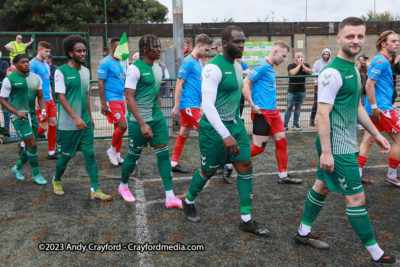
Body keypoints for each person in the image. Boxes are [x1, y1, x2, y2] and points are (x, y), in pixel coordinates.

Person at [294, 17, 399, 267]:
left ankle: (302, 232)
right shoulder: (332, 72)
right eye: (350, 36)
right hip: (337, 148)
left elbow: (356, 108)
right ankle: (376, 253)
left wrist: (376, 134)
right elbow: (322, 114)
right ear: (339, 38)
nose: (356, 40)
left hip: (344, 144)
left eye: (360, 36)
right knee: (357, 199)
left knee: (321, 186)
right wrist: (327, 152)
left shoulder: (353, 68)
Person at [182, 25, 270, 237]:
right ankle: (188, 201)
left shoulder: (238, 67)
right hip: (214, 129)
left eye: (243, 41)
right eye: (236, 42)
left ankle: (246, 221)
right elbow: (208, 105)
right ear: (223, 44)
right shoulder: (213, 68)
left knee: (246, 166)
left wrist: (251, 107)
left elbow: (240, 90)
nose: (241, 46)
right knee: (208, 171)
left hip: (235, 125)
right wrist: (224, 134)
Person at [118, 34, 182, 209]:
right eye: (155, 47)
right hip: (138, 121)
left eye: (160, 46)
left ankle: (170, 197)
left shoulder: (158, 68)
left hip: (157, 118)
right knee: (133, 156)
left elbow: (155, 95)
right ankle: (123, 186)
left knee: (163, 155)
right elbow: (129, 98)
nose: (159, 49)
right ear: (145, 49)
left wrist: (158, 116)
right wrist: (142, 123)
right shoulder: (134, 69)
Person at [52, 35, 112, 201]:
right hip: (68, 124)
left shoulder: (86, 72)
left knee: (90, 154)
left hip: (85, 122)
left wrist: (89, 118)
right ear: (70, 53)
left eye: (84, 50)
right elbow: (61, 97)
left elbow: (86, 96)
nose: (83, 53)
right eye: (79, 51)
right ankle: (56, 179)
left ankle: (95, 189)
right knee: (66, 156)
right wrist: (75, 118)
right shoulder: (60, 71)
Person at [242, 41, 303, 185]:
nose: (284, 59)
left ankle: (283, 175)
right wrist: (252, 104)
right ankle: (228, 161)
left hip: (274, 113)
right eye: (283, 56)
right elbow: (245, 83)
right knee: (258, 148)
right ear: (275, 51)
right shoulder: (262, 65)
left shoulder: (269, 67)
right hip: (262, 113)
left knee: (281, 141)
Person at [357, 30, 400, 188]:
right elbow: (369, 85)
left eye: (397, 41)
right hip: (380, 110)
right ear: (384, 44)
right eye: (394, 41)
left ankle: (357, 175)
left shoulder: (382, 60)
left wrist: (389, 103)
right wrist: (376, 107)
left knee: (367, 141)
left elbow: (380, 86)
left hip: (381, 107)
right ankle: (392, 175)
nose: (397, 43)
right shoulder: (380, 61)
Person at [0, 54, 47, 184]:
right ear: (15, 64)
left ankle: (17, 168)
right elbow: (2, 99)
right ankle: (36, 174)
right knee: (32, 143)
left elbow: (41, 96)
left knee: (30, 144)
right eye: (23, 62)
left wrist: (43, 110)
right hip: (18, 116)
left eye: (27, 62)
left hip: (32, 115)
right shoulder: (9, 79)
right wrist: (16, 112)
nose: (27, 64)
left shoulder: (36, 78)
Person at [170, 34, 213, 173]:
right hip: (188, 105)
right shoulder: (187, 61)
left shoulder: (199, 62)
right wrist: (176, 106)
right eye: (206, 50)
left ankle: (173, 163)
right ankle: (209, 165)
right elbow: (179, 84)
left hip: (194, 105)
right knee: (206, 132)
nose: (207, 53)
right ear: (199, 46)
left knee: (184, 132)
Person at [98, 38, 127, 166]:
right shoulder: (105, 62)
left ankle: (118, 155)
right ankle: (111, 150)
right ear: (111, 48)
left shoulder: (123, 62)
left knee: (118, 127)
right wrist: (103, 102)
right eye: (116, 47)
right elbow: (100, 83)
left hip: (121, 98)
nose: (119, 50)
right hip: (111, 99)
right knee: (123, 126)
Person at [28, 41, 59, 160]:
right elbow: (32, 85)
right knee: (43, 126)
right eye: (46, 51)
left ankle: (51, 152)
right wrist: (36, 102)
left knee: (53, 124)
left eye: (49, 52)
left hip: (49, 100)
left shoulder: (46, 64)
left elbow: (48, 83)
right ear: (39, 50)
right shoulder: (32, 64)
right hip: (40, 101)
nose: (48, 54)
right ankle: (24, 142)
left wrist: (51, 97)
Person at [284, 52, 312, 131]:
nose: (300, 58)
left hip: (301, 91)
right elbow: (292, 73)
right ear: (295, 58)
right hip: (292, 91)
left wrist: (302, 65)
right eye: (298, 57)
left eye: (302, 57)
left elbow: (310, 72)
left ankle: (295, 124)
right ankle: (285, 124)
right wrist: (299, 65)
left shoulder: (305, 65)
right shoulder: (291, 66)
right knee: (289, 107)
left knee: (298, 108)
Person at [310, 48, 331, 126]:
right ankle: (312, 119)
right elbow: (313, 73)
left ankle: (326, 119)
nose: (326, 56)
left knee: (327, 102)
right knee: (316, 102)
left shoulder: (331, 63)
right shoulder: (317, 63)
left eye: (327, 54)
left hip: (328, 85)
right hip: (318, 85)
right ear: (322, 55)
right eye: (324, 54)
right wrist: (322, 75)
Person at [356, 54, 369, 130]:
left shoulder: (367, 68)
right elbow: (356, 73)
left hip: (365, 92)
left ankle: (362, 123)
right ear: (359, 60)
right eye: (363, 59)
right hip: (358, 92)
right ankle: (358, 123)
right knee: (357, 108)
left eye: (365, 60)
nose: (364, 61)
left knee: (364, 108)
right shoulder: (356, 67)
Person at [0, 51, 10, 136]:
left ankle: (7, 129)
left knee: (5, 109)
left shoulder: (4, 63)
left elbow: (4, 75)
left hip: (3, 89)